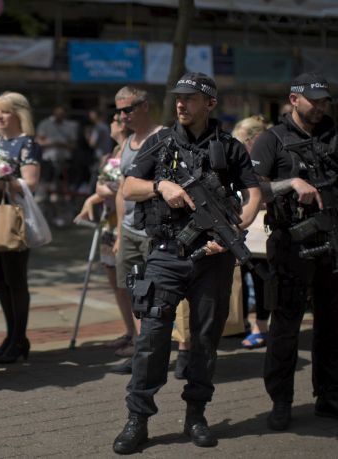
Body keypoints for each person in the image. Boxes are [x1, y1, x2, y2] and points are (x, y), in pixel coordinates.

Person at [113, 73, 261, 454]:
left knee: (205, 340)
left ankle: (196, 415)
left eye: (190, 99)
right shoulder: (160, 142)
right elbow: (128, 186)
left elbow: (254, 192)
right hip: (165, 253)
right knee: (151, 338)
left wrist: (231, 233)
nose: (181, 104)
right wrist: (161, 186)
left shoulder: (229, 147)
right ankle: (138, 419)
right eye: (178, 98)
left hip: (212, 259)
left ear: (210, 103)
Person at [250, 73, 338, 431]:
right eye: (313, 100)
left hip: (332, 245)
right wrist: (291, 182)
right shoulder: (271, 140)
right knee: (286, 327)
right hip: (290, 246)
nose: (320, 107)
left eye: (325, 100)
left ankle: (329, 397)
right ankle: (281, 401)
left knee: (332, 327)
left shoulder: (334, 135)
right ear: (293, 99)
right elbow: (252, 190)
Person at [0, 92, 41, 364]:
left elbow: (31, 183)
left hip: (14, 217)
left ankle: (19, 338)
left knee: (16, 281)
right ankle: (11, 336)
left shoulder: (27, 144)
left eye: (5, 112)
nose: (0, 117)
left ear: (19, 114)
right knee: (0, 280)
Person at [110, 87, 163, 371]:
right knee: (136, 294)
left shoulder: (162, 137)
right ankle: (142, 354)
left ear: (145, 106)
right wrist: (119, 233)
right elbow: (121, 191)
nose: (122, 116)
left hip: (154, 232)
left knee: (157, 295)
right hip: (130, 232)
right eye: (119, 110)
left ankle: (172, 352)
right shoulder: (128, 141)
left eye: (128, 109)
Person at [75, 113, 135, 365]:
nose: (109, 124)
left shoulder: (132, 151)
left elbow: (121, 186)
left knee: (127, 282)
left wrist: (101, 192)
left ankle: (138, 336)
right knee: (114, 279)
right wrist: (96, 195)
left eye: (113, 120)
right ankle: (129, 330)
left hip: (125, 222)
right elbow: (102, 185)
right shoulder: (110, 153)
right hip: (108, 221)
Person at [232, 115, 273, 349]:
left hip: (259, 231)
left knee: (260, 278)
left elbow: (270, 192)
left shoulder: (266, 158)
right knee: (243, 279)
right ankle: (242, 323)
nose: (238, 144)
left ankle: (261, 326)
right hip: (240, 228)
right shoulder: (238, 162)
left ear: (255, 138)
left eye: (243, 139)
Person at [36, 106, 78, 227]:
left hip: (64, 162)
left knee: (61, 192)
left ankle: (61, 217)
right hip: (48, 162)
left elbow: (72, 145)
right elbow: (39, 141)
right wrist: (54, 143)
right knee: (45, 191)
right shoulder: (45, 124)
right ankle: (46, 218)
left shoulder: (70, 126)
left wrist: (60, 145)